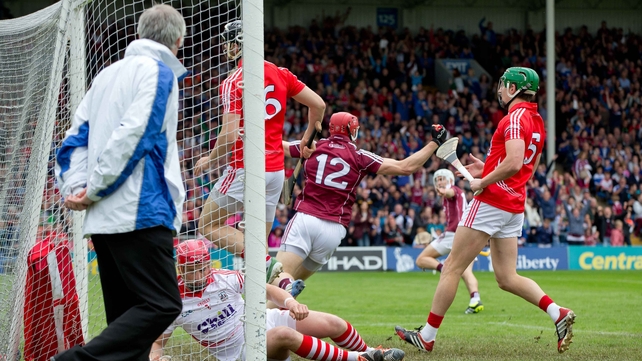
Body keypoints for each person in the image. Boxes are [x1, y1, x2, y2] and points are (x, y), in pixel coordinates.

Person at [395, 67, 576, 354]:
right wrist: (490, 168)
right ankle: (558, 313)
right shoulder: (537, 121)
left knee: (452, 267)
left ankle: (427, 336)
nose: (500, 89)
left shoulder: (514, 118)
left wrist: (484, 180)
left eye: (503, 84)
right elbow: (528, 166)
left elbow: (515, 162)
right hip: (513, 203)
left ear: (515, 89)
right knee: (506, 277)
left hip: (492, 202)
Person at [53, 4, 187, 360]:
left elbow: (72, 140)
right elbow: (137, 135)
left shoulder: (106, 76)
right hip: (139, 209)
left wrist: (76, 189)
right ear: (178, 40)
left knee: (128, 328)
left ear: (139, 34)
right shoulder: (160, 73)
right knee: (162, 304)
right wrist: (94, 187)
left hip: (102, 217)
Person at [193, 20, 325, 286]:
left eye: (228, 42)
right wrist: (306, 138)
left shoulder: (234, 81)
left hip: (245, 169)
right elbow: (319, 105)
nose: (225, 47)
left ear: (237, 44)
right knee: (257, 241)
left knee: (207, 225)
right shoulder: (280, 73)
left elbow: (230, 136)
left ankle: (268, 264)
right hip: (275, 171)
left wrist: (210, 160)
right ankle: (282, 285)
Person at [150, 239, 405, 361]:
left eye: (205, 265)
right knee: (285, 335)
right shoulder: (174, 301)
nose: (203, 272)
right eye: (195, 268)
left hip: (263, 320)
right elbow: (156, 344)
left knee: (335, 324)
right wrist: (157, 358)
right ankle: (359, 360)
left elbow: (269, 291)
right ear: (181, 269)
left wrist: (290, 303)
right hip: (240, 352)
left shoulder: (223, 277)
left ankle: (369, 351)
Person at [275, 112, 447, 283]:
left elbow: (279, 146)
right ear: (351, 130)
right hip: (334, 230)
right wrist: (434, 143)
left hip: (307, 218)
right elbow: (406, 167)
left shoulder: (314, 145)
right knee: (291, 285)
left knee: (279, 279)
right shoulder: (360, 156)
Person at [415, 169, 484, 314]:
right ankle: (475, 299)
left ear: (450, 180)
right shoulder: (456, 192)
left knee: (421, 259)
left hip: (454, 234)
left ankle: (443, 269)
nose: (439, 182)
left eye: (442, 179)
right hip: (468, 234)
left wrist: (444, 191)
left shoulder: (454, 190)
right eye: (437, 180)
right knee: (465, 271)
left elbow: (450, 192)